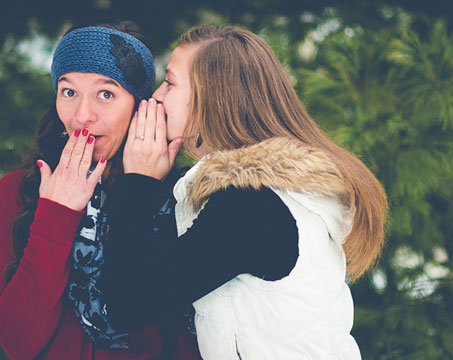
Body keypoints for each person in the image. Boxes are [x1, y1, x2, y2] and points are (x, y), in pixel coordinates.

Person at [100, 24, 388, 359]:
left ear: (211, 98)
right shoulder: (274, 194)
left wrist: (138, 184)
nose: (158, 96)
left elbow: (126, 307)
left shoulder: (249, 208)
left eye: (170, 81)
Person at [0, 20, 200, 360]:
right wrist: (56, 214)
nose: (82, 115)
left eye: (106, 94)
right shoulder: (18, 190)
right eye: (68, 92)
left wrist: (142, 188)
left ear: (140, 105)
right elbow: (18, 342)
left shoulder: (181, 193)